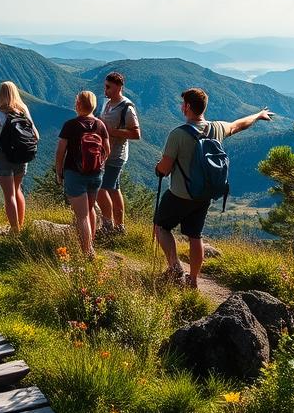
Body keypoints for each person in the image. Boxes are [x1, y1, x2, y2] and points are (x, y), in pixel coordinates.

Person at [154, 88, 273, 287]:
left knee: (161, 226)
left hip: (180, 195)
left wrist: (157, 168)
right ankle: (193, 280)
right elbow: (239, 125)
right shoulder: (217, 128)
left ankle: (175, 267)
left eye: (183, 104)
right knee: (195, 235)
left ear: (188, 107)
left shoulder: (177, 134)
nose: (181, 107)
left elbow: (164, 169)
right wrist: (259, 115)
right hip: (204, 195)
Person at [55, 91, 110, 256]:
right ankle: (90, 244)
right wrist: (100, 164)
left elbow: (60, 151)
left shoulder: (70, 125)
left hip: (75, 173)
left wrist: (59, 171)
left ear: (78, 104)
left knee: (82, 216)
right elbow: (107, 150)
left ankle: (87, 252)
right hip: (96, 174)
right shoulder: (100, 125)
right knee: (90, 209)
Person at [0, 81, 39, 234]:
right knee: (17, 191)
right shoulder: (23, 110)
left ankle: (14, 230)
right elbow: (36, 135)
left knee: (8, 194)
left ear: (0, 95)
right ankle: (19, 227)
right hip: (22, 157)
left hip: (3, 157)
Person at [96, 71, 141, 236]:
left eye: (108, 87)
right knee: (114, 189)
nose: (105, 90)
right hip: (105, 153)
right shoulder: (106, 103)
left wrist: (112, 131)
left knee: (101, 189)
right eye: (105, 86)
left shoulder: (127, 107)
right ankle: (119, 227)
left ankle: (107, 225)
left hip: (116, 155)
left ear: (119, 87)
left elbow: (136, 134)